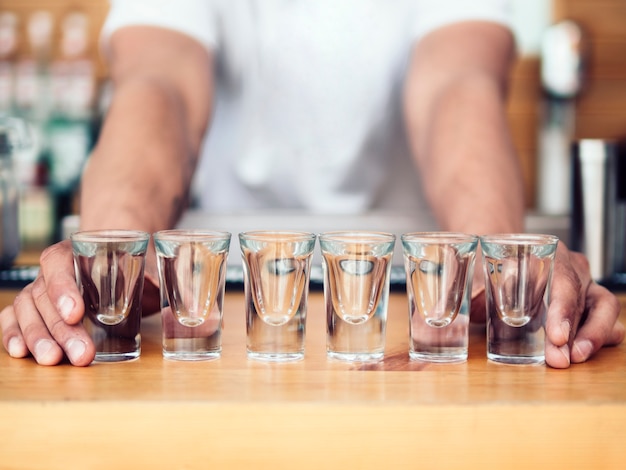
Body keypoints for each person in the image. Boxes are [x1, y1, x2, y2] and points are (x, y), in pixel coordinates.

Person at [0, 0, 623, 368]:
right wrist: (109, 261)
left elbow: (457, 86)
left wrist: (501, 261)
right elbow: (161, 87)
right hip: (202, 298)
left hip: (419, 294)